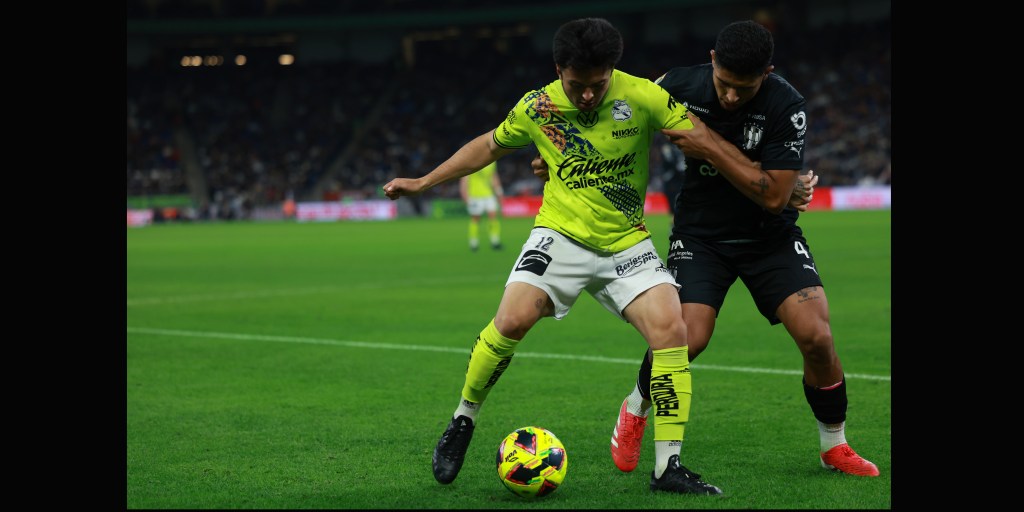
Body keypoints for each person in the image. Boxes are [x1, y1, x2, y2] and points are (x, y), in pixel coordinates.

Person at [383, 17, 722, 495]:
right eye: (577, 85)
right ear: (558, 68)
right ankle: (463, 419)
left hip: (627, 241)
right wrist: (423, 182)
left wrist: (766, 176)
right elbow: (487, 146)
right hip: (560, 236)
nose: (587, 95)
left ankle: (668, 466)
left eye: (597, 84)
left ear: (613, 71)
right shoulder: (538, 106)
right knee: (512, 321)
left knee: (673, 332)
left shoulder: (643, 95)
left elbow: (703, 137)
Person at [536, 20, 878, 478]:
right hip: (701, 236)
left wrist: (708, 146)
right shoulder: (678, 85)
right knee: (687, 337)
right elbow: (614, 111)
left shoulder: (786, 104)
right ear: (712, 61)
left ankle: (834, 445)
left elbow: (775, 197)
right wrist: (558, 155)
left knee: (817, 337)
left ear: (768, 73)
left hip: (768, 237)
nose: (732, 97)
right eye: (724, 84)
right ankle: (636, 407)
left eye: (745, 88)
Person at [458, 161, 504, 251]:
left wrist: (499, 192)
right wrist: (464, 193)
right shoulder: (473, 159)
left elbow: (494, 177)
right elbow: (465, 178)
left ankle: (495, 241)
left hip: (488, 194)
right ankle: (474, 243)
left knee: (493, 217)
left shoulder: (492, 161)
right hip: (475, 195)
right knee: (475, 219)